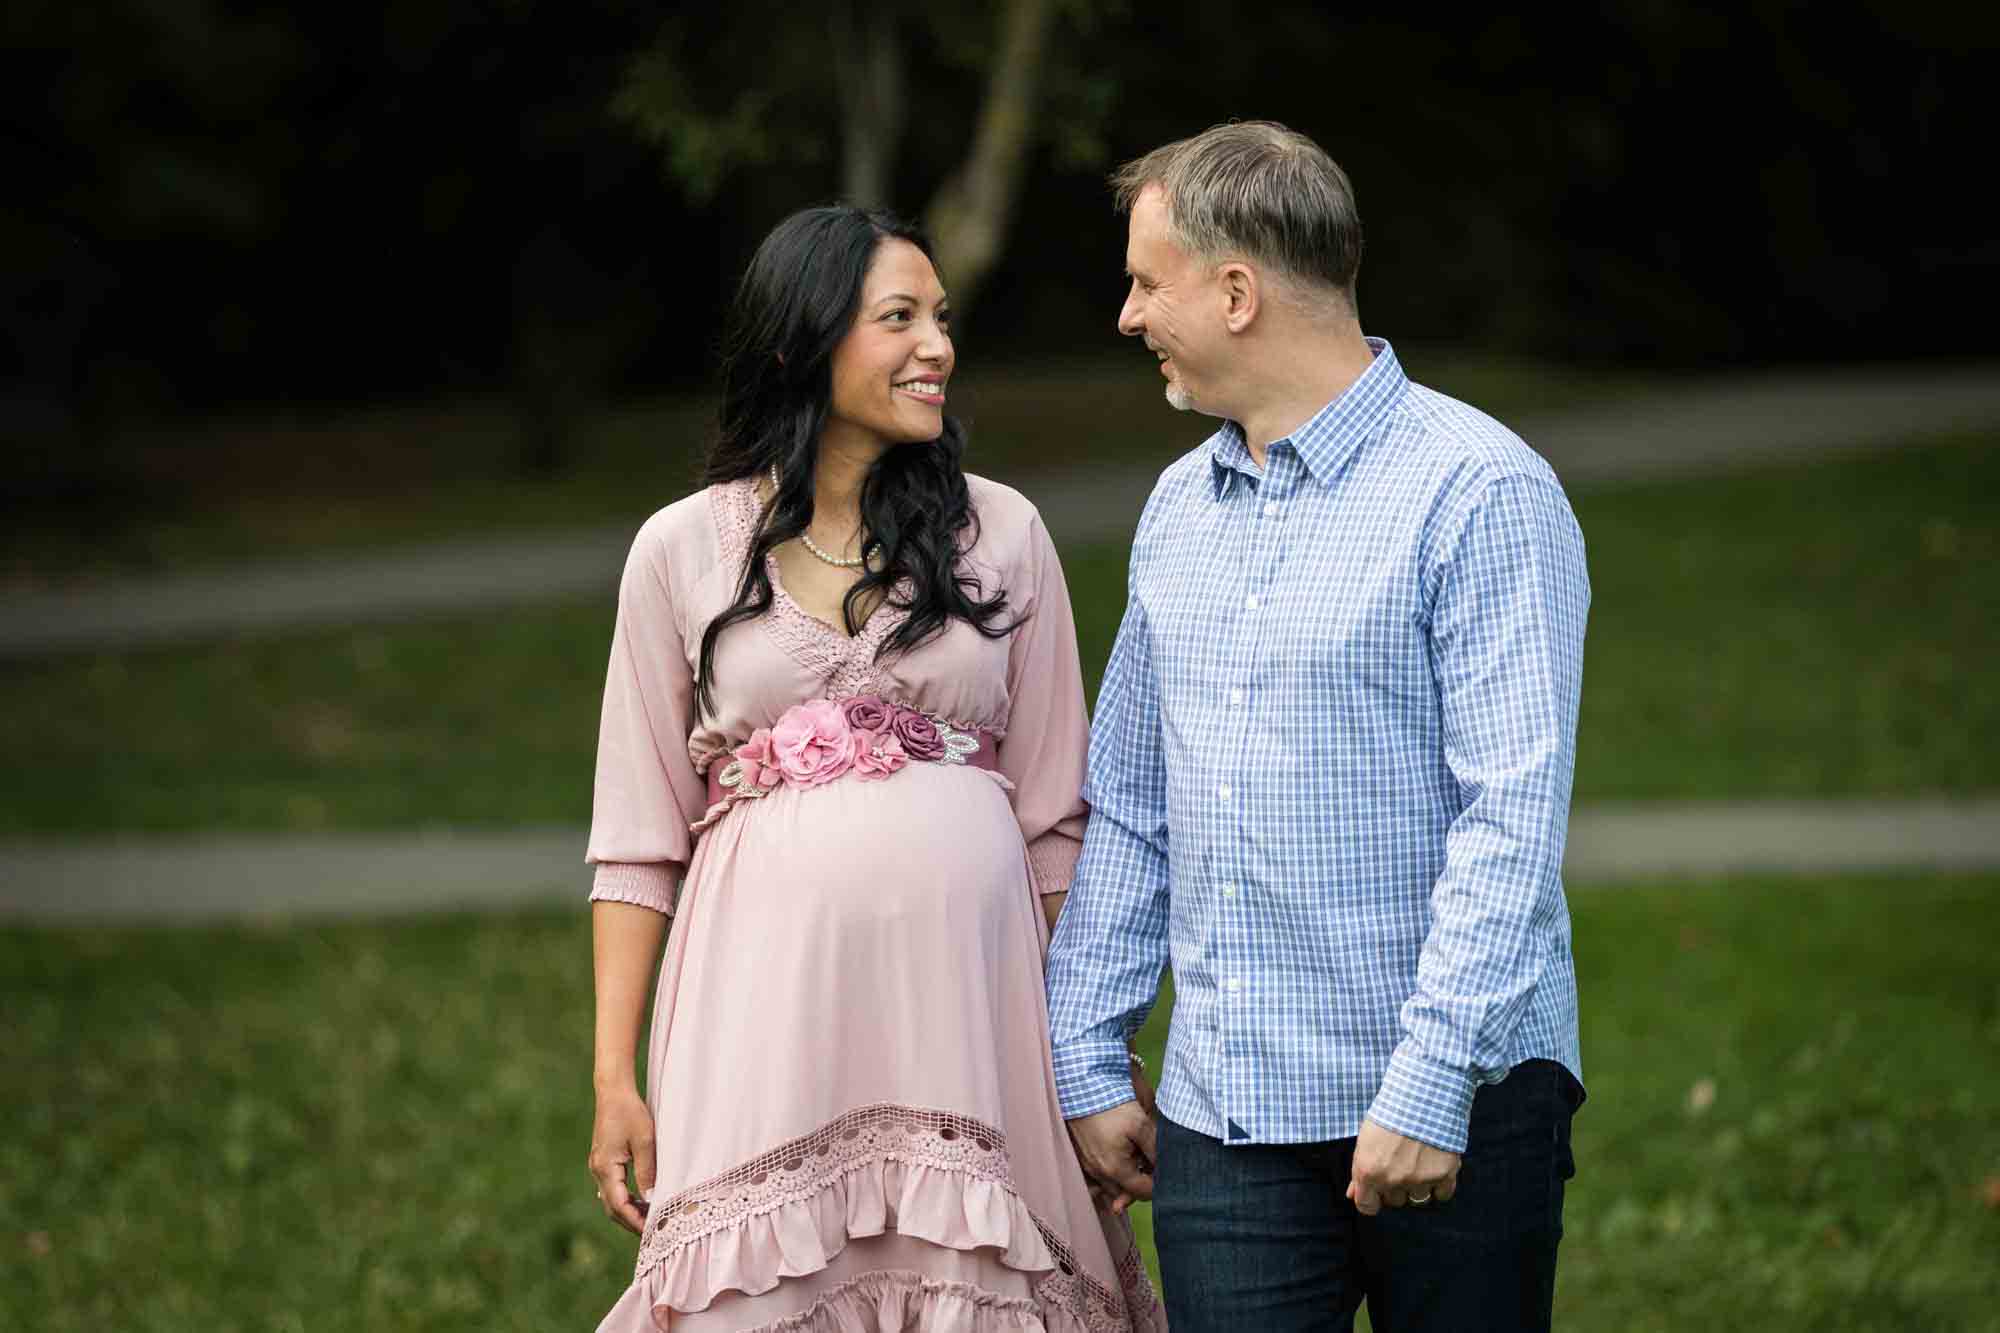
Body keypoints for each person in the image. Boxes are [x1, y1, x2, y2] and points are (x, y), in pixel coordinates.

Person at [1045, 121, 1590, 1332]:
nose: (1127, 316)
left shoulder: (1481, 490)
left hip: (1452, 1103)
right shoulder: (1178, 506)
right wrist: (1085, 1055)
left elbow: (1507, 819)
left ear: (1234, 292)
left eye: (1145, 282)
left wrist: (1431, 1081)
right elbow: (1135, 801)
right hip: (1224, 1121)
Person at [584, 203, 1164, 1332]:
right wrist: (614, 1078)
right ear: (801, 341)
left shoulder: (1003, 533)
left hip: (973, 1020)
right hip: (762, 1022)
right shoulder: (679, 549)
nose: (936, 346)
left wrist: (1092, 1051)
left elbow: (1058, 822)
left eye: (941, 318)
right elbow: (634, 840)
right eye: (897, 318)